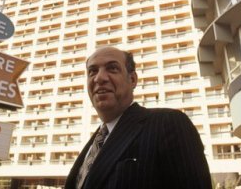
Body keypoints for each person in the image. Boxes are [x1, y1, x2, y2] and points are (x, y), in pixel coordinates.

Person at [64, 46, 212, 189]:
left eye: (112, 68)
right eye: (92, 71)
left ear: (133, 80)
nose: (99, 78)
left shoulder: (168, 124)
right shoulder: (94, 143)